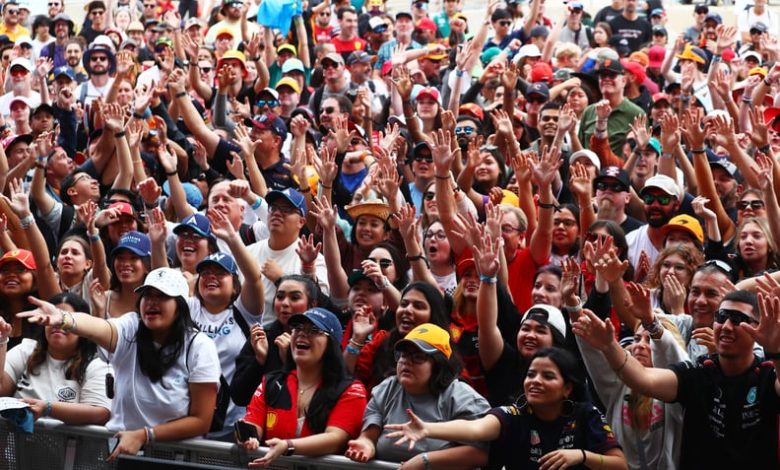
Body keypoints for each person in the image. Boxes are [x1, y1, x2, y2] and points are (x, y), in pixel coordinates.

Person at [17, 268, 220, 461]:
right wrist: (64, 319)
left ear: (181, 305)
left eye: (162, 296)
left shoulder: (200, 346)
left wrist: (145, 435)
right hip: (122, 450)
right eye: (147, 295)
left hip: (177, 456)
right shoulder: (131, 326)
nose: (151, 302)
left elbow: (201, 421)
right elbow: (99, 328)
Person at [572, 290, 780, 468]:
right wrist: (609, 346)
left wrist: (775, 351)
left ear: (758, 327)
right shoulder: (699, 372)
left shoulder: (768, 375)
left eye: (737, 320)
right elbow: (643, 379)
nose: (726, 326)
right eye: (722, 316)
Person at [385, 347, 627, 470]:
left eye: (548, 376)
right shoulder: (513, 415)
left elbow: (620, 465)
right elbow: (476, 430)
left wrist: (582, 456)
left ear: (567, 388)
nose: (535, 381)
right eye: (531, 374)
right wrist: (428, 429)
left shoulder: (585, 415)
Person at [345, 323, 490, 467]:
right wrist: (365, 445)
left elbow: (481, 453)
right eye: (403, 355)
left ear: (438, 364)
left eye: (418, 356)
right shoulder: (387, 389)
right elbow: (369, 436)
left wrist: (424, 461)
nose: (406, 361)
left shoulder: (461, 398)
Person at [237, 308, 367, 467]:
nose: (302, 334)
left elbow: (335, 439)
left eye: (314, 330)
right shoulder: (271, 382)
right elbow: (252, 424)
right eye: (297, 328)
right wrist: (248, 437)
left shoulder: (351, 390)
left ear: (331, 344)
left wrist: (288, 446)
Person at [0, 293, 111, 425]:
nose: (57, 324)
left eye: (65, 319)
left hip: (72, 444)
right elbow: (1, 390)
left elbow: (100, 412)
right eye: (52, 318)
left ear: (81, 328)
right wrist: (2, 341)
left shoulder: (96, 364)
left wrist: (48, 408)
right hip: (20, 444)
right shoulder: (25, 351)